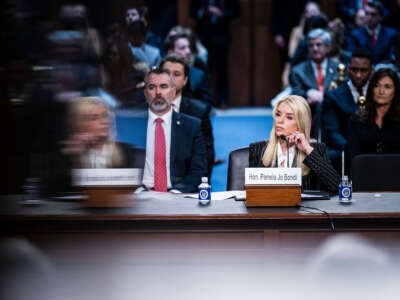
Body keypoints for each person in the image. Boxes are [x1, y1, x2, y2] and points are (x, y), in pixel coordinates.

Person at [44, 97, 139, 195]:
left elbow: (129, 191)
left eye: (105, 116)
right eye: (94, 118)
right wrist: (74, 157)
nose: (104, 121)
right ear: (79, 124)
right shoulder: (65, 154)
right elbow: (51, 190)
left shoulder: (125, 151)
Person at [249, 95, 340, 192]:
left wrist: (307, 149)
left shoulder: (316, 150)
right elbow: (249, 192)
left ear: (301, 123)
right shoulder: (258, 149)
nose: (280, 120)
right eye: (278, 114)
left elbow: (336, 186)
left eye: (289, 117)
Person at [141, 68, 207, 193]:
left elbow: (198, 172)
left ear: (173, 92)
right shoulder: (133, 125)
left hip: (176, 195)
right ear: (145, 93)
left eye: (164, 86)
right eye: (152, 87)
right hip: (139, 196)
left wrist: (176, 193)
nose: (158, 92)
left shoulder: (192, 126)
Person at [160, 54, 215, 176]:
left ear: (185, 80)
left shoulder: (199, 112)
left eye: (177, 74)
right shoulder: (142, 112)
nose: (170, 78)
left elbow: (206, 158)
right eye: (166, 72)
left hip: (185, 185)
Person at [322, 48, 373, 168]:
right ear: (348, 68)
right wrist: (352, 148)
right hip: (345, 148)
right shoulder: (333, 96)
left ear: (371, 70)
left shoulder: (378, 94)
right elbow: (332, 131)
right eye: (355, 70)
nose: (358, 75)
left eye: (363, 70)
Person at [347, 68, 400, 170]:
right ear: (371, 89)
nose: (381, 91)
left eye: (387, 87)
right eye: (377, 86)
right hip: (364, 175)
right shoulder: (357, 119)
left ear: (395, 92)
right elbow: (352, 157)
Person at [190, 0, 240, 108]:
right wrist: (203, 12)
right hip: (203, 36)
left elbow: (236, 12)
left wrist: (221, 13)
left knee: (222, 70)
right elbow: (192, 12)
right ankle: (205, 100)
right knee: (203, 70)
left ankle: (222, 100)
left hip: (221, 37)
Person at [290, 28, 339, 136]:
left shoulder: (339, 68)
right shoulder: (297, 71)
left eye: (318, 45)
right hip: (309, 115)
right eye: (311, 45)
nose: (315, 48)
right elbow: (295, 94)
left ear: (328, 47)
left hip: (335, 115)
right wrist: (308, 93)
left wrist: (324, 96)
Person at [165, 33, 212, 104]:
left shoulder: (199, 75)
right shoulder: (160, 74)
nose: (188, 51)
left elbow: (206, 104)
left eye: (188, 47)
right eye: (182, 48)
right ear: (170, 52)